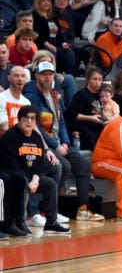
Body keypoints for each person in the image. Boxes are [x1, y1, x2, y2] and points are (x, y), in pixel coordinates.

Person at [23, 60, 104, 222]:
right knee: (63, 166)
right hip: (43, 143)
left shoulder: (55, 95)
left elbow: (62, 123)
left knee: (83, 166)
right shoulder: (31, 98)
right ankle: (47, 210)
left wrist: (65, 142)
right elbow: (36, 127)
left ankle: (83, 209)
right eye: (44, 74)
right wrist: (56, 145)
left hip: (61, 142)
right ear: (37, 76)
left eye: (50, 74)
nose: (47, 77)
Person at [0, 105, 69, 234]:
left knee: (50, 184)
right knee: (22, 181)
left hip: (32, 177)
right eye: (26, 118)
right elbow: (11, 165)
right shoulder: (10, 137)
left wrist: (36, 179)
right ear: (19, 120)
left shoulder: (36, 137)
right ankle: (19, 222)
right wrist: (30, 180)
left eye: (32, 118)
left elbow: (43, 162)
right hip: (12, 175)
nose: (29, 121)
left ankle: (51, 223)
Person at [65, 66, 104, 151]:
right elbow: (73, 115)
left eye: (100, 79)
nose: (97, 82)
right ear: (88, 80)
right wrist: (91, 118)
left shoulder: (100, 96)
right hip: (84, 127)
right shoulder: (81, 95)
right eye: (95, 79)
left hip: (96, 127)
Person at [0, 65, 31, 133]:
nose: (20, 79)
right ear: (9, 78)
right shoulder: (1, 98)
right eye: (16, 76)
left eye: (23, 76)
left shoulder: (27, 103)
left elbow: (30, 128)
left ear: (26, 79)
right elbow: (4, 128)